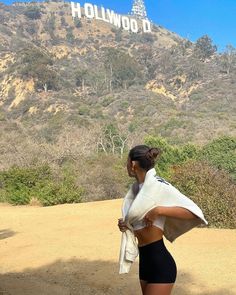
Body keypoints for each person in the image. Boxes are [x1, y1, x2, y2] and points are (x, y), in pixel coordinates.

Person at [118, 145, 208, 295]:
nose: (126, 166)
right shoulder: (136, 191)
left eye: (127, 162)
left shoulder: (159, 186)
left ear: (133, 164)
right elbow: (139, 223)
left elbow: (195, 213)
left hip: (161, 264)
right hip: (145, 263)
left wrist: (159, 210)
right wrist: (126, 225)